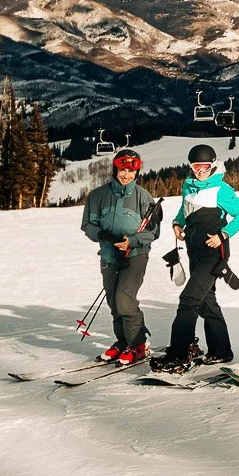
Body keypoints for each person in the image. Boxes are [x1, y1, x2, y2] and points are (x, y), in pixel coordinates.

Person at [151, 145, 239, 372]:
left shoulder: (221, 189)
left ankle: (178, 354)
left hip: (214, 254)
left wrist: (223, 235)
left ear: (213, 164)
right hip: (195, 253)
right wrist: (177, 224)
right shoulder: (188, 186)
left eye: (205, 166)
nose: (201, 171)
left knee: (189, 301)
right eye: (196, 166)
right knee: (207, 302)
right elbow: (183, 212)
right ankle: (221, 350)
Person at [80, 148, 161, 365]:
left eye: (131, 170)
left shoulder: (144, 198)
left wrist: (131, 241)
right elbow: (88, 224)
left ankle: (138, 343)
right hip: (109, 256)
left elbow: (152, 232)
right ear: (115, 168)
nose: (126, 174)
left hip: (135, 256)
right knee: (114, 304)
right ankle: (123, 340)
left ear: (137, 172)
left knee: (124, 301)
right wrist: (103, 235)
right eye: (122, 169)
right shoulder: (98, 196)